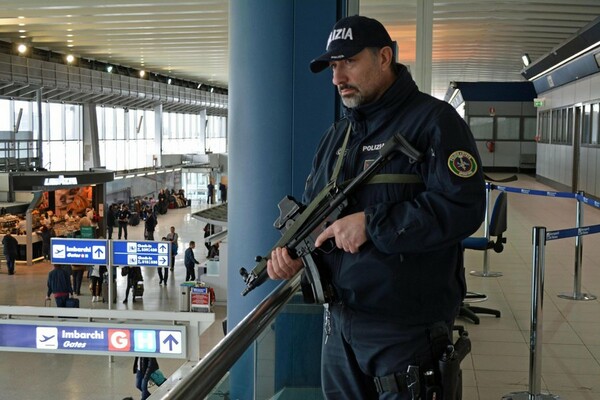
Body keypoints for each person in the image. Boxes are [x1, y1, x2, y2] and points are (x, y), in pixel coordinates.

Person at [266, 15, 486, 400]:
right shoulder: (337, 137)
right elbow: (319, 219)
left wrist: (373, 224)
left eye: (348, 62)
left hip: (406, 328)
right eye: (333, 66)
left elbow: (463, 206)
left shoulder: (435, 123)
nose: (337, 78)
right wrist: (296, 254)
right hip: (340, 325)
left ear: (384, 57)